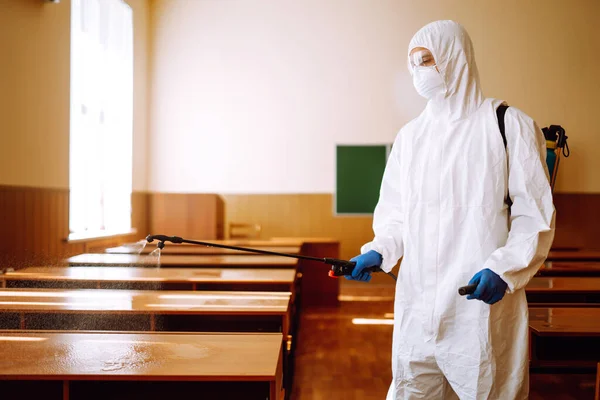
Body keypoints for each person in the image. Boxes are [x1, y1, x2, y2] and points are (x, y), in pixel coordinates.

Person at [348, 20, 556, 399]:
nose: (419, 72)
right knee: (412, 390)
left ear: (455, 58)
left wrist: (503, 268)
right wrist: (380, 250)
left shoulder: (506, 125)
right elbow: (396, 213)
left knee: (488, 390)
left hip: (477, 303)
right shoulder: (411, 137)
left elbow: (534, 215)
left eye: (427, 60)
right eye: (414, 64)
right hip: (417, 303)